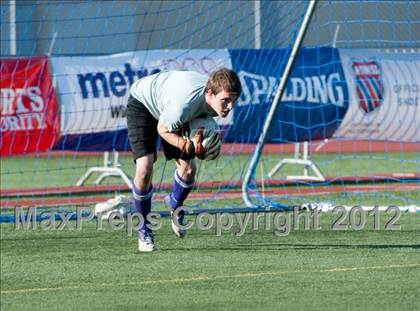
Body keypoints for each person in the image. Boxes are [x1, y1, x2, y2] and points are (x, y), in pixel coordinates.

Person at [127, 68, 241, 252]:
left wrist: (200, 140)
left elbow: (197, 122)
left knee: (188, 170)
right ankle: (144, 230)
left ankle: (174, 204)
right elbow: (162, 129)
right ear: (210, 94)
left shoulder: (212, 103)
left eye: (233, 100)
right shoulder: (184, 105)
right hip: (143, 102)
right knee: (145, 168)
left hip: (170, 105)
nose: (229, 106)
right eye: (225, 100)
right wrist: (184, 143)